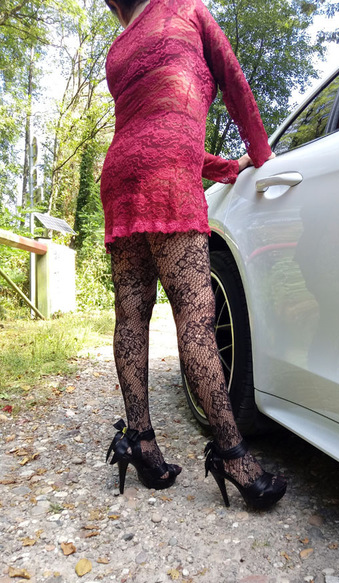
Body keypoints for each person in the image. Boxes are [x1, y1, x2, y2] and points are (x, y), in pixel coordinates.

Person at [102, 0, 286, 509]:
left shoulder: (119, 50)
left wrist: (225, 168)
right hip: (166, 179)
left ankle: (140, 442)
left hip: (120, 174)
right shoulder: (184, 9)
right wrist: (262, 157)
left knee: (131, 317)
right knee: (195, 316)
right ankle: (232, 455)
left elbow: (148, 134)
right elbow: (233, 83)